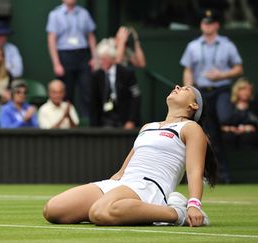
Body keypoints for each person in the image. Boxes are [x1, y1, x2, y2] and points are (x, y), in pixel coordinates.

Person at [43, 85, 217, 227]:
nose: (177, 87)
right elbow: (123, 170)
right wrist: (110, 185)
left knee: (99, 212)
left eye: (185, 89)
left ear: (193, 106)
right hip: (124, 184)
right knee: (53, 210)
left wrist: (194, 205)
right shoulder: (147, 127)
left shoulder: (191, 128)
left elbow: (194, 171)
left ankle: (177, 213)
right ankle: (122, 210)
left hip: (150, 187)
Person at [180, 9, 243, 183]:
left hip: (221, 89)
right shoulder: (193, 46)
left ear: (216, 25)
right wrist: (189, 90)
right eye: (204, 23)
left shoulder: (227, 45)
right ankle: (218, 175)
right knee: (210, 134)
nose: (206, 26)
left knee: (225, 118)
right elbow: (188, 70)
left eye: (210, 23)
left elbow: (239, 68)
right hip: (202, 92)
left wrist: (221, 75)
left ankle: (245, 119)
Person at [46, 0, 97, 118]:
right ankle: (67, 121)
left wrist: (95, 57)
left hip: (82, 54)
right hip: (65, 55)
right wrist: (56, 63)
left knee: (87, 91)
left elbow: (91, 36)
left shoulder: (84, 13)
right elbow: (51, 40)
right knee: (66, 92)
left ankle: (87, 123)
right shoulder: (55, 14)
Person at [90, 38, 141, 129]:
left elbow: (135, 98)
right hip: (105, 120)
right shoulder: (97, 76)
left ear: (111, 59)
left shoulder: (127, 73)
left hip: (124, 118)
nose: (101, 62)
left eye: (103, 59)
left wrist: (131, 120)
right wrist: (95, 126)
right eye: (100, 59)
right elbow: (94, 102)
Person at [220, 78, 258, 148]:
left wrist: (249, 127)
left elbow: (255, 121)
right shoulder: (228, 105)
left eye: (249, 90)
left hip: (248, 134)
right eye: (243, 89)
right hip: (230, 132)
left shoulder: (254, 105)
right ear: (237, 90)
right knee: (228, 137)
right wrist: (229, 128)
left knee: (249, 137)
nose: (247, 92)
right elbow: (222, 122)